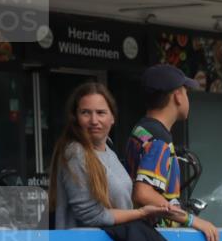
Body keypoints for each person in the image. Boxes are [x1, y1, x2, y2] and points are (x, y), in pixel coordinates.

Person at [49, 82, 168, 229]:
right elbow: (91, 216)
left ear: (112, 118)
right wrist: (141, 213)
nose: (94, 120)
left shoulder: (109, 152)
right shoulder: (75, 152)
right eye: (85, 112)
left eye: (100, 113)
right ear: (75, 118)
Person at [126, 63, 220, 241]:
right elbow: (143, 193)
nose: (187, 98)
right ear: (177, 96)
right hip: (155, 238)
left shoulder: (141, 130)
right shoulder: (159, 139)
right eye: (186, 92)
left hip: (142, 236)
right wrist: (193, 221)